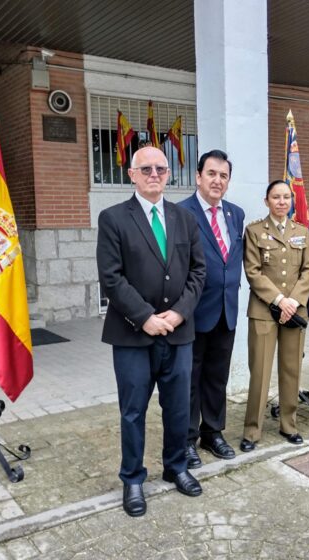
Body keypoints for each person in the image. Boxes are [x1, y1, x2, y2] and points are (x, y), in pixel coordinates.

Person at [96, 146, 206, 517]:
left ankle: (176, 467)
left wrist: (177, 314)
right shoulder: (113, 218)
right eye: (146, 169)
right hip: (132, 335)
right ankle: (132, 478)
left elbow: (197, 272)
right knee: (133, 411)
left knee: (178, 407)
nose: (154, 174)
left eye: (161, 168)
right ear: (131, 174)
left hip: (178, 333)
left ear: (169, 173)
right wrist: (145, 317)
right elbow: (111, 278)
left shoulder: (184, 218)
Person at [178, 150, 245, 468]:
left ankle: (213, 432)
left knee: (217, 377)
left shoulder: (236, 214)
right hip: (192, 312)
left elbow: (231, 258)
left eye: (224, 175)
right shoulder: (180, 213)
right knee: (190, 377)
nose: (218, 180)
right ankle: (188, 439)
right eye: (212, 173)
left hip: (225, 309)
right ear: (198, 176)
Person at [241, 180, 309, 452]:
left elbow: (308, 269)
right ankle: (252, 430)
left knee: (291, 369)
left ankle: (289, 424)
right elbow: (253, 271)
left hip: (294, 311)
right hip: (264, 311)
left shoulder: (301, 232)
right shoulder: (254, 231)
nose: (282, 202)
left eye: (286, 197)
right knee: (259, 372)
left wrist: (293, 301)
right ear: (267, 201)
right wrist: (280, 300)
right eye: (276, 197)